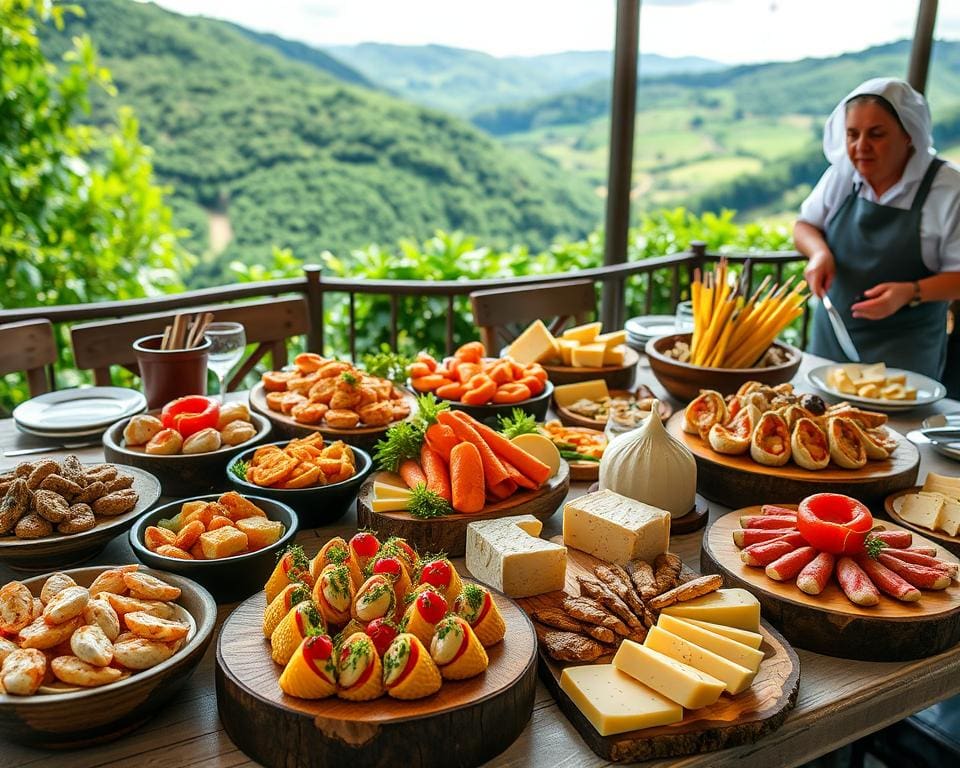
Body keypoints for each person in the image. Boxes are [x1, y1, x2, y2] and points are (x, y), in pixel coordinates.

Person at [795, 77, 960, 381]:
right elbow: (805, 225)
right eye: (852, 134)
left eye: (876, 134)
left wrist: (911, 292)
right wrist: (819, 254)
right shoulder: (842, 175)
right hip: (831, 338)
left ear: (909, 134)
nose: (860, 147)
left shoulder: (949, 189)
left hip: (906, 351)